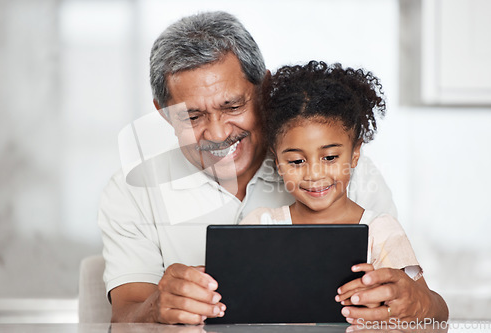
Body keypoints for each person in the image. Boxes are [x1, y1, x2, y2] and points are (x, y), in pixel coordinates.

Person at [98, 11, 402, 325]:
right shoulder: (131, 191)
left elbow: (421, 302)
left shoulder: (345, 173)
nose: (217, 134)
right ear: (164, 113)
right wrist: (154, 307)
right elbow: (123, 317)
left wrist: (408, 303)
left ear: (264, 89)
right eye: (192, 117)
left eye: (232, 106)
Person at [240, 61, 449, 324]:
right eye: (296, 161)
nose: (314, 174)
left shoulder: (380, 231)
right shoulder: (260, 226)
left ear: (355, 154)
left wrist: (398, 302)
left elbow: (433, 314)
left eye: (329, 157)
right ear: (277, 161)